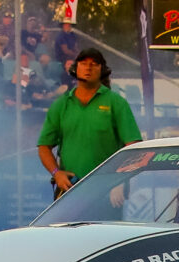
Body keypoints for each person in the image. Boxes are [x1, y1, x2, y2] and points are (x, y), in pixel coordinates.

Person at [37, 47, 141, 197]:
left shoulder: (116, 103)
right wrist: (56, 173)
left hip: (106, 192)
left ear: (102, 70)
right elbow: (44, 147)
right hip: (69, 189)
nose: (88, 68)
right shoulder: (61, 104)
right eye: (84, 63)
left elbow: (133, 148)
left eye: (94, 64)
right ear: (75, 68)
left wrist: (120, 182)